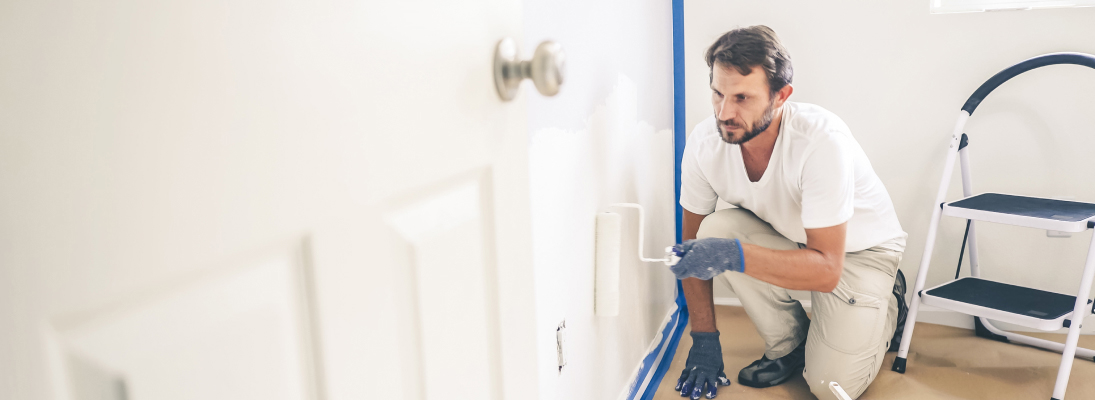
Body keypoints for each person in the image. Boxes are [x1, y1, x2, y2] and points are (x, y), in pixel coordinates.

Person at [667, 25, 908, 400]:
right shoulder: (704, 144)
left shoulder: (821, 142)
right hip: (796, 239)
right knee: (713, 230)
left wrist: (732, 255)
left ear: (781, 96)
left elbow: (827, 270)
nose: (724, 112)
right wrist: (703, 340)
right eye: (717, 93)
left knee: (831, 388)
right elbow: (690, 250)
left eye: (742, 98)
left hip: (860, 254)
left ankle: (887, 305)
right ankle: (791, 344)